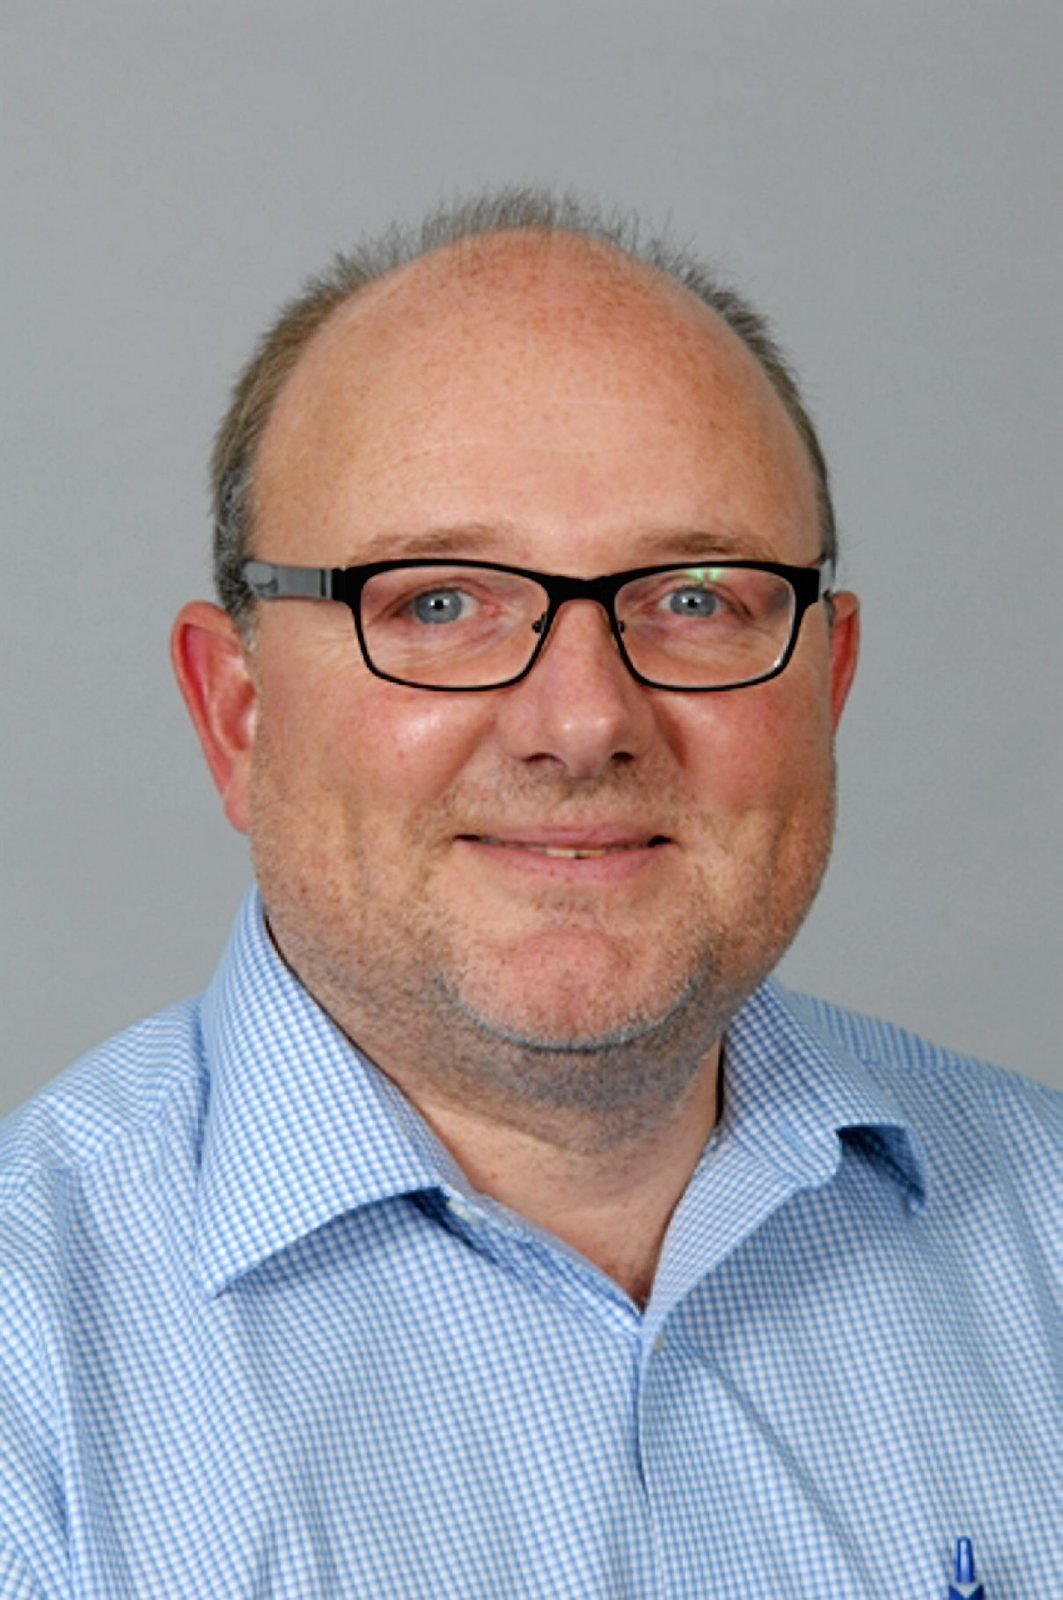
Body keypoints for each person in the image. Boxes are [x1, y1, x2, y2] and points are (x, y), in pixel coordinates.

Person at [1, 189, 1059, 1600]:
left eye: (696, 597)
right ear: (237, 714)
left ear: (830, 683)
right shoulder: (30, 1370)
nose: (583, 722)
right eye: (438, 602)